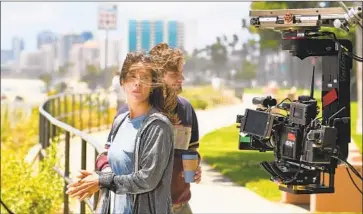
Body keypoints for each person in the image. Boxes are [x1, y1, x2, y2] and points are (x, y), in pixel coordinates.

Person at [96, 43, 202, 214]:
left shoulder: (186, 109)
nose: (182, 79)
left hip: (179, 205)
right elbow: (106, 155)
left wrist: (196, 167)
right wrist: (105, 177)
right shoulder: (129, 113)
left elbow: (192, 151)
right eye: (175, 74)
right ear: (159, 76)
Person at [66, 52, 176, 214]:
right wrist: (97, 179)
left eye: (145, 77)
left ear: (152, 85)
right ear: (122, 82)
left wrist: (102, 181)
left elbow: (148, 179)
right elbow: (110, 160)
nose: (138, 83)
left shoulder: (158, 126)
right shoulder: (121, 121)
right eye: (132, 76)